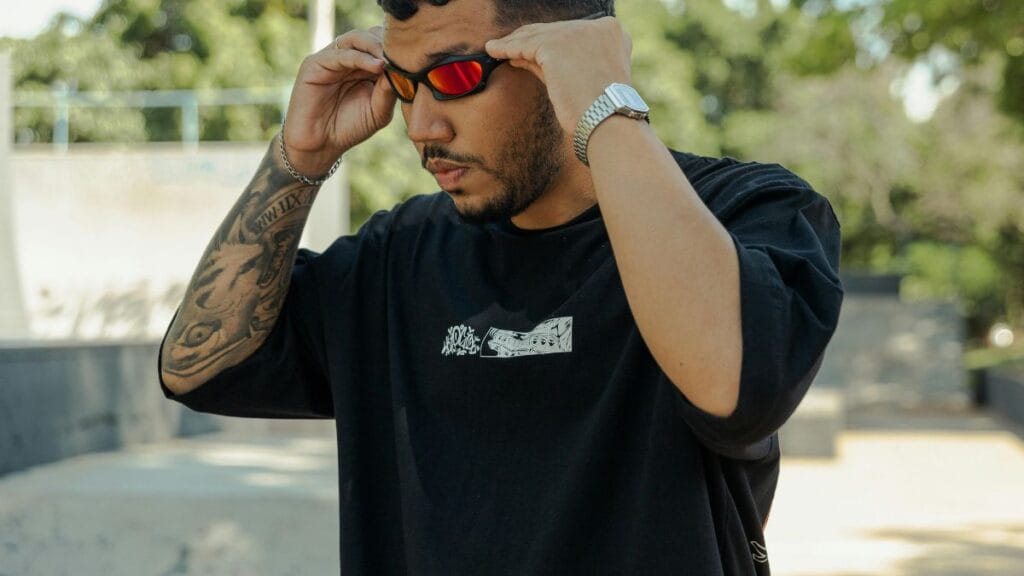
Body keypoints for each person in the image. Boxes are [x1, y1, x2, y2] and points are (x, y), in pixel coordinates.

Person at [158, 0, 843, 573]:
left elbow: (736, 387)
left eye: (454, 76)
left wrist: (607, 106)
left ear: (563, 53)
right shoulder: (397, 255)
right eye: (403, 84)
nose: (421, 127)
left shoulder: (744, 213)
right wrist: (298, 160)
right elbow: (201, 367)